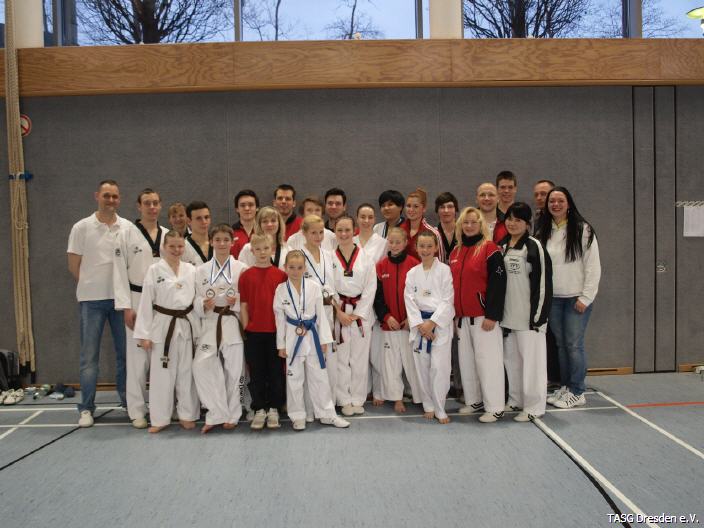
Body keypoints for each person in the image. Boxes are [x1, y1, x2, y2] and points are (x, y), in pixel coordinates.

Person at [67, 180, 131, 427]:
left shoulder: (127, 227)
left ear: (119, 199)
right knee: (89, 358)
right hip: (91, 301)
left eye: (115, 196)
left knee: (125, 355)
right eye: (106, 195)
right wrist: (91, 285)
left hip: (121, 301)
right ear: (97, 196)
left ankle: (129, 402)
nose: (111, 200)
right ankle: (86, 408)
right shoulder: (81, 227)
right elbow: (74, 265)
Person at [538, 187, 601, 409]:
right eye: (551, 201)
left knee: (574, 345)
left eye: (560, 200)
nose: (555, 204)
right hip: (554, 299)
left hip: (576, 299)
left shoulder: (583, 230)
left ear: (569, 203)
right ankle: (565, 386)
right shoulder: (544, 230)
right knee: (561, 345)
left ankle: (577, 390)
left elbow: (593, 266)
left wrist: (586, 297)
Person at [274, 251, 350, 430]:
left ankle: (327, 414)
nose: (295, 271)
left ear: (305, 268)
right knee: (294, 379)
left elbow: (321, 315)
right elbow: (279, 319)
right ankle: (298, 416)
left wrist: (324, 340)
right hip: (292, 337)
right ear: (285, 268)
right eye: (291, 267)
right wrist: (281, 344)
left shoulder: (314, 287)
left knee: (320, 377)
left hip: (313, 336)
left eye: (299, 267)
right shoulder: (281, 289)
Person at [113, 188, 169, 429]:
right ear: (139, 206)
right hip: (136, 299)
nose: (152, 207)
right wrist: (126, 307)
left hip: (163, 303)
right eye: (147, 203)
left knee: (162, 357)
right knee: (137, 359)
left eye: (156, 203)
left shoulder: (167, 234)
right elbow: (118, 273)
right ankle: (136, 410)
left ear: (160, 205)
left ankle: (161, 407)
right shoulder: (126, 234)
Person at [134, 230, 200, 433]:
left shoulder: (191, 270)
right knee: (162, 374)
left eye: (180, 246)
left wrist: (200, 327)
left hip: (187, 324)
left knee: (187, 372)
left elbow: (197, 299)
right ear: (164, 247)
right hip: (163, 325)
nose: (176, 250)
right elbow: (146, 302)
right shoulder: (155, 270)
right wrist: (144, 334)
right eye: (172, 246)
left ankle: (187, 414)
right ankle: (160, 418)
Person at [449, 207, 507, 423]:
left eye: (474, 222)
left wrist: (492, 314)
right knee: (467, 363)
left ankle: (495, 407)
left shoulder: (490, 249)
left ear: (481, 225)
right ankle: (474, 401)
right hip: (462, 318)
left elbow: (498, 284)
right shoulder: (455, 252)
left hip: (484, 318)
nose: (469, 226)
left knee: (488, 362)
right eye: (466, 222)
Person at [499, 202, 552, 422]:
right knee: (512, 362)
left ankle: (534, 406)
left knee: (533, 364)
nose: (512, 224)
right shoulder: (501, 245)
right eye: (509, 219)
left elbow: (543, 284)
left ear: (527, 223)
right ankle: (516, 399)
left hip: (530, 319)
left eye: (518, 220)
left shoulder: (534, 247)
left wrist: (538, 317)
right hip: (507, 318)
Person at [193, 224, 249, 433]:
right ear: (211, 241)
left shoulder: (241, 268)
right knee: (201, 365)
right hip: (211, 322)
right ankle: (216, 411)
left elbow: (248, 299)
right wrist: (202, 304)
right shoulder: (201, 270)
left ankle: (234, 412)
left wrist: (237, 301)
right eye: (217, 240)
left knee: (236, 371)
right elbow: (195, 298)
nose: (222, 243)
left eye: (226, 240)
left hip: (232, 322)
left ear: (232, 242)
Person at [404, 231, 455, 424]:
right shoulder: (412, 273)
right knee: (422, 367)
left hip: (439, 325)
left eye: (429, 246)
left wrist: (432, 323)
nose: (425, 250)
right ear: (416, 248)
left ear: (435, 248)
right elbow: (409, 300)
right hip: (419, 325)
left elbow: (448, 299)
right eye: (421, 246)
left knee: (439, 367)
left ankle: (440, 407)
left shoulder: (444, 270)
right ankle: (428, 405)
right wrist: (420, 325)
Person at [239, 233, 288, 429]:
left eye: (266, 248)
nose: (262, 252)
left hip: (276, 333)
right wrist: (246, 328)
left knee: (276, 372)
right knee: (257, 372)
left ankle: (274, 408)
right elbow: (243, 305)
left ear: (272, 249)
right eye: (258, 249)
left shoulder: (281, 275)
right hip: (254, 333)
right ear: (252, 251)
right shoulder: (246, 276)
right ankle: (259, 408)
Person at [373, 226, 422, 413]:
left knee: (412, 363)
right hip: (390, 325)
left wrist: (412, 318)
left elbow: (419, 296)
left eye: (398, 242)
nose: (394, 245)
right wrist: (386, 316)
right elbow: (377, 297)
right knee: (391, 363)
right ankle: (397, 398)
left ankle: (419, 395)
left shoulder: (414, 264)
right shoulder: (381, 266)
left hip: (409, 324)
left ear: (405, 243)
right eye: (391, 242)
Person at [332, 216, 377, 416]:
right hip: (339, 311)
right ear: (335, 232)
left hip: (360, 313)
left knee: (359, 358)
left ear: (354, 230)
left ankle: (358, 398)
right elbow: (327, 287)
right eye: (339, 230)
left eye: (347, 230)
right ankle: (344, 399)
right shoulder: (329, 257)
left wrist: (358, 314)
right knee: (341, 358)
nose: (343, 234)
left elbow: (371, 287)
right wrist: (338, 312)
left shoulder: (366, 257)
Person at [299, 215, 339, 402]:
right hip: (309, 315)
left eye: (321, 232)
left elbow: (334, 284)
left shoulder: (329, 254)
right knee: (311, 359)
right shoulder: (298, 255)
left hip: (329, 310)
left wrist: (337, 308)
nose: (318, 236)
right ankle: (310, 404)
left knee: (329, 358)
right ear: (304, 233)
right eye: (313, 232)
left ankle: (328, 401)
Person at [354, 203, 387, 405]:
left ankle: (379, 390)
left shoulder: (383, 243)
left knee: (376, 351)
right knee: (359, 351)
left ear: (375, 220)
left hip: (377, 300)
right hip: (355, 301)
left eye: (370, 217)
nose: (366, 221)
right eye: (362, 217)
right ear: (357, 218)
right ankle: (363, 389)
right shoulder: (350, 240)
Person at [403, 188, 444, 262]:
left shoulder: (433, 233)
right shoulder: (399, 229)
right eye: (408, 206)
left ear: (424, 208)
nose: (411, 210)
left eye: (416, 206)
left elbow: (440, 264)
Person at [182, 201, 213, 266]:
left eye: (206, 217)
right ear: (189, 221)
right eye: (198, 218)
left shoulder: (219, 244)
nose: (204, 222)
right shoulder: (182, 247)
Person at [230, 190, 259, 260]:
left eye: (251, 205)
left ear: (257, 208)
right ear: (237, 209)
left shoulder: (264, 231)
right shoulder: (230, 232)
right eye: (242, 205)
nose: (247, 208)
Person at [435, 192, 458, 264]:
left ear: (456, 209)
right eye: (442, 207)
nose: (446, 210)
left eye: (450, 207)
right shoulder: (433, 234)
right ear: (437, 210)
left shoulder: (465, 232)